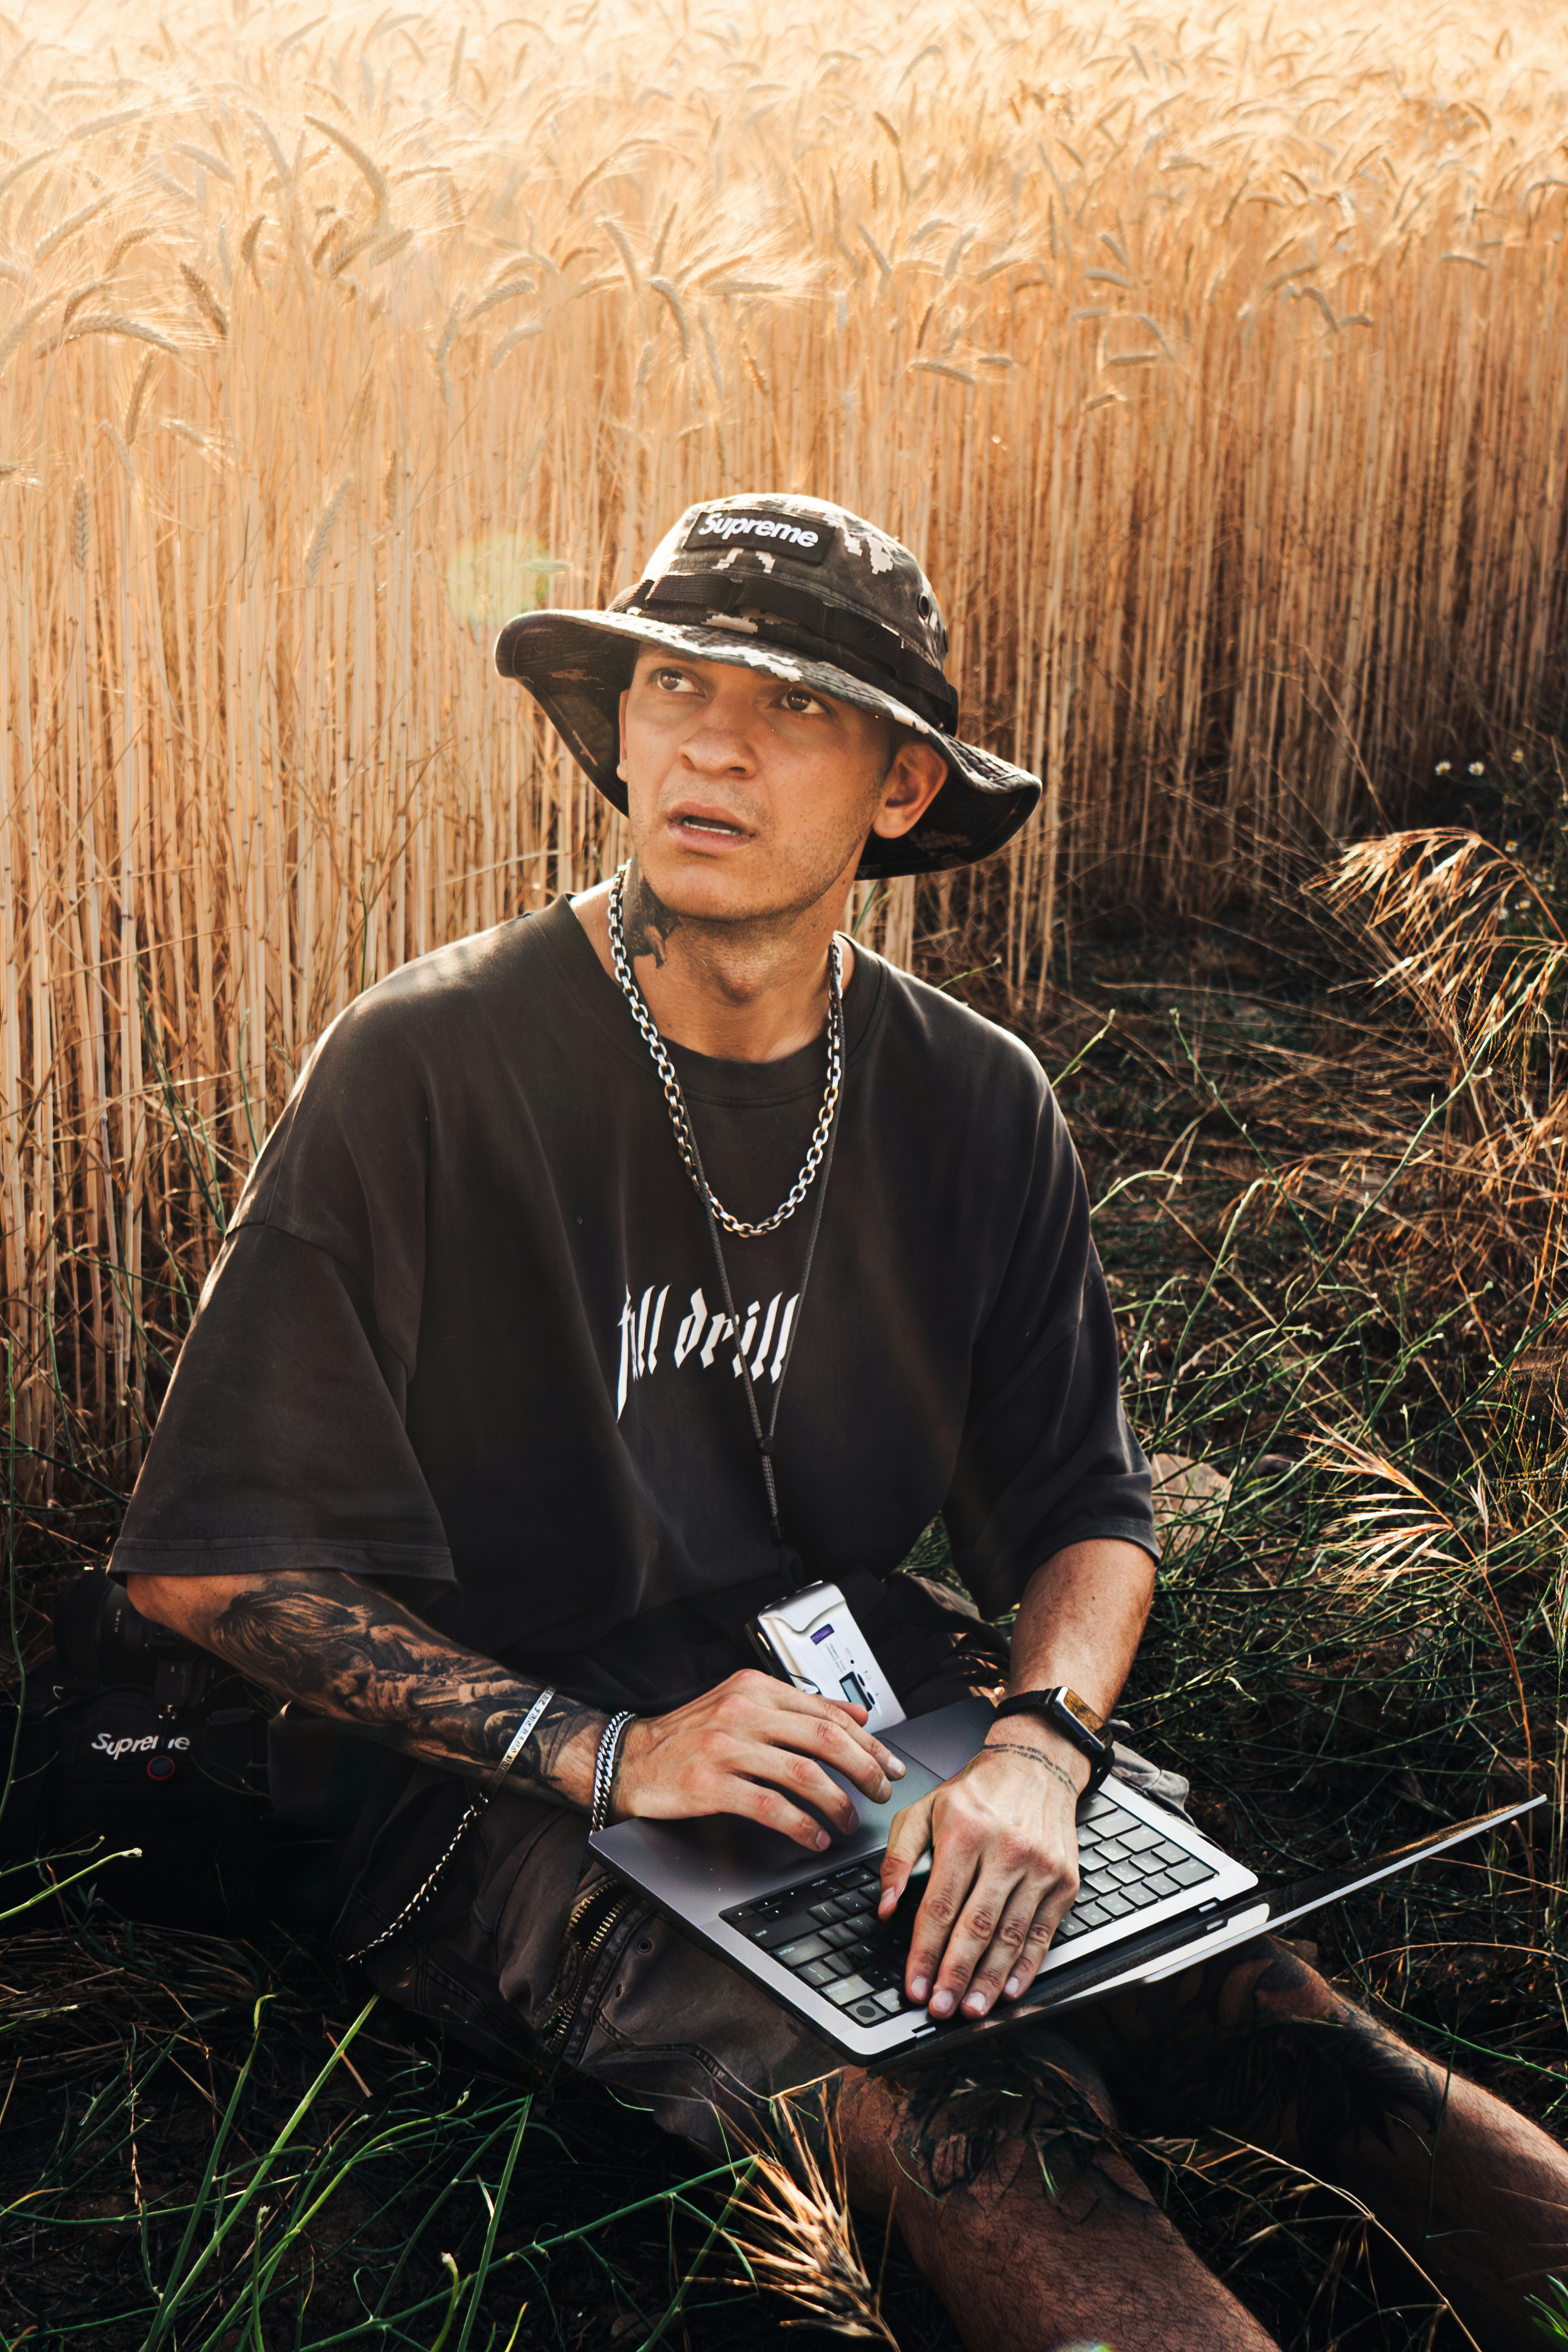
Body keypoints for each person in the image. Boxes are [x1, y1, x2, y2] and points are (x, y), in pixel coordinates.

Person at [119, 494, 1566, 2352]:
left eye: (791, 705)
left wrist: (1039, 1754)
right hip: (506, 1771)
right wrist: (605, 1747)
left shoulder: (974, 1097)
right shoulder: (431, 1062)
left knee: (1269, 2016)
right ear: (617, 727)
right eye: (672, 682)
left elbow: (1085, 1510)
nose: (713, 739)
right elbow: (202, 1561)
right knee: (968, 2112)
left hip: (884, 1699)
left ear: (900, 786)